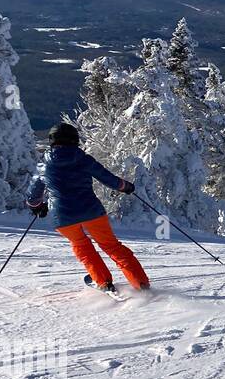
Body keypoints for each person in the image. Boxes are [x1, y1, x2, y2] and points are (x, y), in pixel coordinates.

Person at [25, 123, 150, 294]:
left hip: (63, 217)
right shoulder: (83, 159)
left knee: (82, 247)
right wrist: (125, 186)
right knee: (112, 246)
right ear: (74, 140)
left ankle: (103, 282)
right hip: (91, 212)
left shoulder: (43, 166)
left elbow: (32, 195)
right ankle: (140, 283)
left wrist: (38, 207)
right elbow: (107, 178)